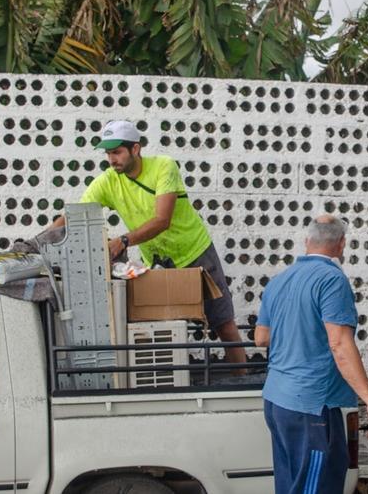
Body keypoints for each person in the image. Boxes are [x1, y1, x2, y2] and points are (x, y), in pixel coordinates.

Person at [53, 120, 245, 366]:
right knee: (155, 329)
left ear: (136, 149)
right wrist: (38, 241)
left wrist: (122, 241)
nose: (112, 159)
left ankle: (241, 381)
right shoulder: (108, 181)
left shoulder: (163, 166)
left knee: (223, 324)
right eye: (108, 153)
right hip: (156, 263)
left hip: (195, 253)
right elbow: (73, 215)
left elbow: (162, 220)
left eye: (117, 152)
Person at [254, 215, 368, 494]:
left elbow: (261, 338)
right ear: (341, 245)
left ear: (306, 242)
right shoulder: (331, 279)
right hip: (311, 405)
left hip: (277, 401)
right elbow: (339, 344)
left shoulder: (279, 280)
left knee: (292, 486)